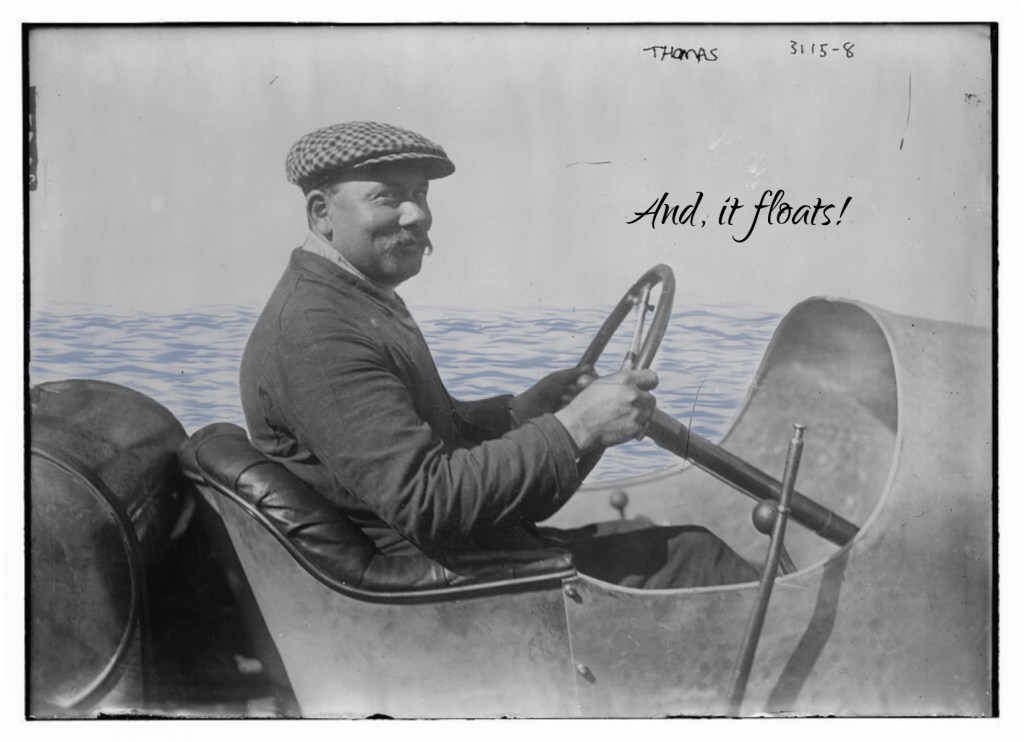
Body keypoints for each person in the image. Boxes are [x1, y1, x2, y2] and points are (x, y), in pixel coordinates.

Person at [240, 121, 757, 589]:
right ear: (321, 213)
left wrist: (524, 410)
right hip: (462, 595)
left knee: (672, 542)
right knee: (700, 558)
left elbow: (421, 435)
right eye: (387, 197)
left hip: (472, 559)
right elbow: (430, 500)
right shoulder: (316, 333)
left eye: (419, 193)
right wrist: (576, 427)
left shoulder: (347, 300)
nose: (417, 214)